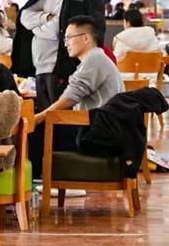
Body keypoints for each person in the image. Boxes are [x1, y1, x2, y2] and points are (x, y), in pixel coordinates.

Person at [13, 0, 106, 111]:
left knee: (61, 119)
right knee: (45, 119)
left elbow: (57, 30)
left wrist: (35, 29)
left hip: (65, 68)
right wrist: (46, 17)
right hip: (39, 68)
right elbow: (24, 16)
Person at [32, 16, 124, 169]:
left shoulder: (94, 59)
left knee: (35, 129)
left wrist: (39, 118)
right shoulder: (94, 58)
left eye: (69, 37)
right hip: (97, 127)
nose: (65, 43)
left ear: (86, 38)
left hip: (97, 135)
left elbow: (70, 98)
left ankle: (33, 179)